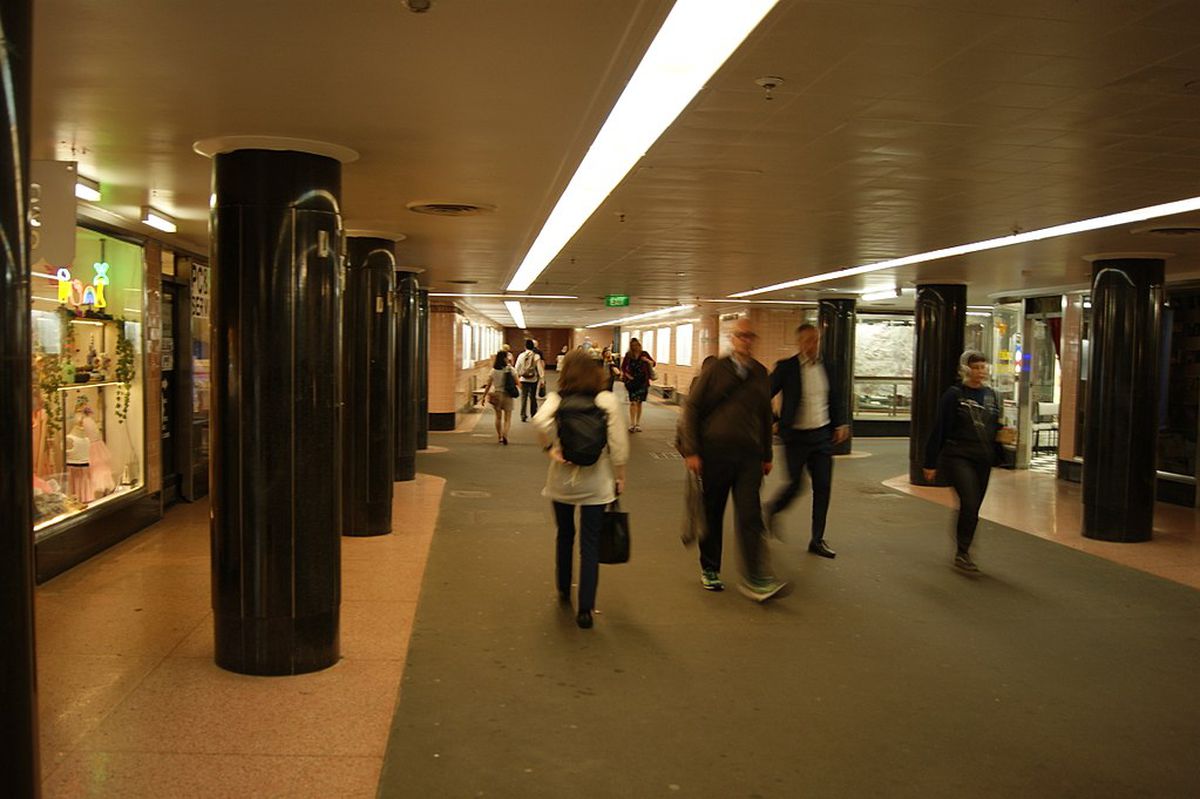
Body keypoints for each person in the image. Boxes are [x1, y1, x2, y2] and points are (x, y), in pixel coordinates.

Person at [677, 317, 783, 602]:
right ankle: (710, 568)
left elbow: (765, 416)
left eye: (750, 336)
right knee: (712, 512)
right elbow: (692, 407)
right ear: (732, 339)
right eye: (741, 335)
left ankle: (756, 576)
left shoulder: (760, 373)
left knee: (750, 514)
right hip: (715, 454)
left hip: (749, 457)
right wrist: (692, 450)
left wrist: (767, 454)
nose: (746, 340)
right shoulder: (715, 370)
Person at [533, 349, 629, 629]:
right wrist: (620, 476)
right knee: (590, 543)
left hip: (562, 480)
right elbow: (618, 444)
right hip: (596, 482)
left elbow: (539, 422)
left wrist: (550, 449)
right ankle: (585, 609)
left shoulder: (557, 399)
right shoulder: (606, 400)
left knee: (565, 534)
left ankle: (564, 589)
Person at [763, 323, 849, 558]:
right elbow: (763, 394)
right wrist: (774, 419)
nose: (813, 345)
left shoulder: (828, 367)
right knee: (796, 484)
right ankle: (772, 509)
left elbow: (836, 397)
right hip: (796, 437)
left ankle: (817, 539)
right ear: (799, 343)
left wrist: (840, 423)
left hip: (822, 436)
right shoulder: (786, 368)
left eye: (816, 340)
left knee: (823, 487)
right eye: (808, 340)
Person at [923, 350, 1006, 573]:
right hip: (958, 456)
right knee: (969, 501)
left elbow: (996, 428)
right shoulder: (955, 395)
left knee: (974, 506)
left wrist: (1002, 449)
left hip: (983, 458)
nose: (980, 372)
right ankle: (962, 552)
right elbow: (940, 428)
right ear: (966, 370)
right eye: (975, 367)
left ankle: (964, 548)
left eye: (983, 367)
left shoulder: (993, 397)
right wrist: (930, 462)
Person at [620, 338, 656, 433]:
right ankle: (632, 423)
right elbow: (623, 367)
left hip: (643, 382)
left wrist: (647, 360)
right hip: (632, 382)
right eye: (633, 345)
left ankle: (638, 424)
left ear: (639, 345)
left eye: (636, 345)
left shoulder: (644, 354)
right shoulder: (628, 355)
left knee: (639, 402)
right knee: (633, 402)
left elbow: (653, 363)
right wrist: (628, 376)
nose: (635, 347)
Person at [481, 350, 516, 444]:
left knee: (498, 417)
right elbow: (517, 381)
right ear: (504, 358)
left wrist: (484, 396)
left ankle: (500, 436)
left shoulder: (493, 371)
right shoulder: (511, 369)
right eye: (507, 357)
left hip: (497, 394)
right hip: (507, 395)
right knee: (507, 418)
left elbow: (488, 385)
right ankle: (505, 434)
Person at [514, 340, 544, 422]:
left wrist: (516, 379)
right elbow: (540, 369)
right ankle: (533, 414)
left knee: (523, 398)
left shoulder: (521, 355)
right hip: (533, 379)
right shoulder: (536, 356)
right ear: (533, 347)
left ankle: (523, 415)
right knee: (533, 397)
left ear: (525, 347)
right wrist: (542, 380)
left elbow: (516, 368)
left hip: (523, 379)